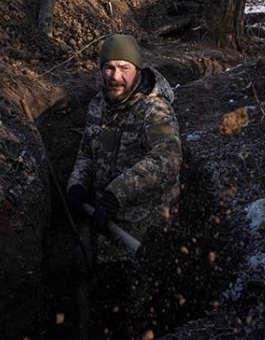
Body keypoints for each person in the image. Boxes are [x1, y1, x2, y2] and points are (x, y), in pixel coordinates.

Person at [66, 34, 182, 260]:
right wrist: (77, 183)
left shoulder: (154, 110)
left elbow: (167, 159)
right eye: (108, 68)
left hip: (144, 228)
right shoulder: (98, 105)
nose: (115, 76)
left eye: (123, 67)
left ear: (137, 69)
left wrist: (117, 193)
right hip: (103, 218)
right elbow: (86, 153)